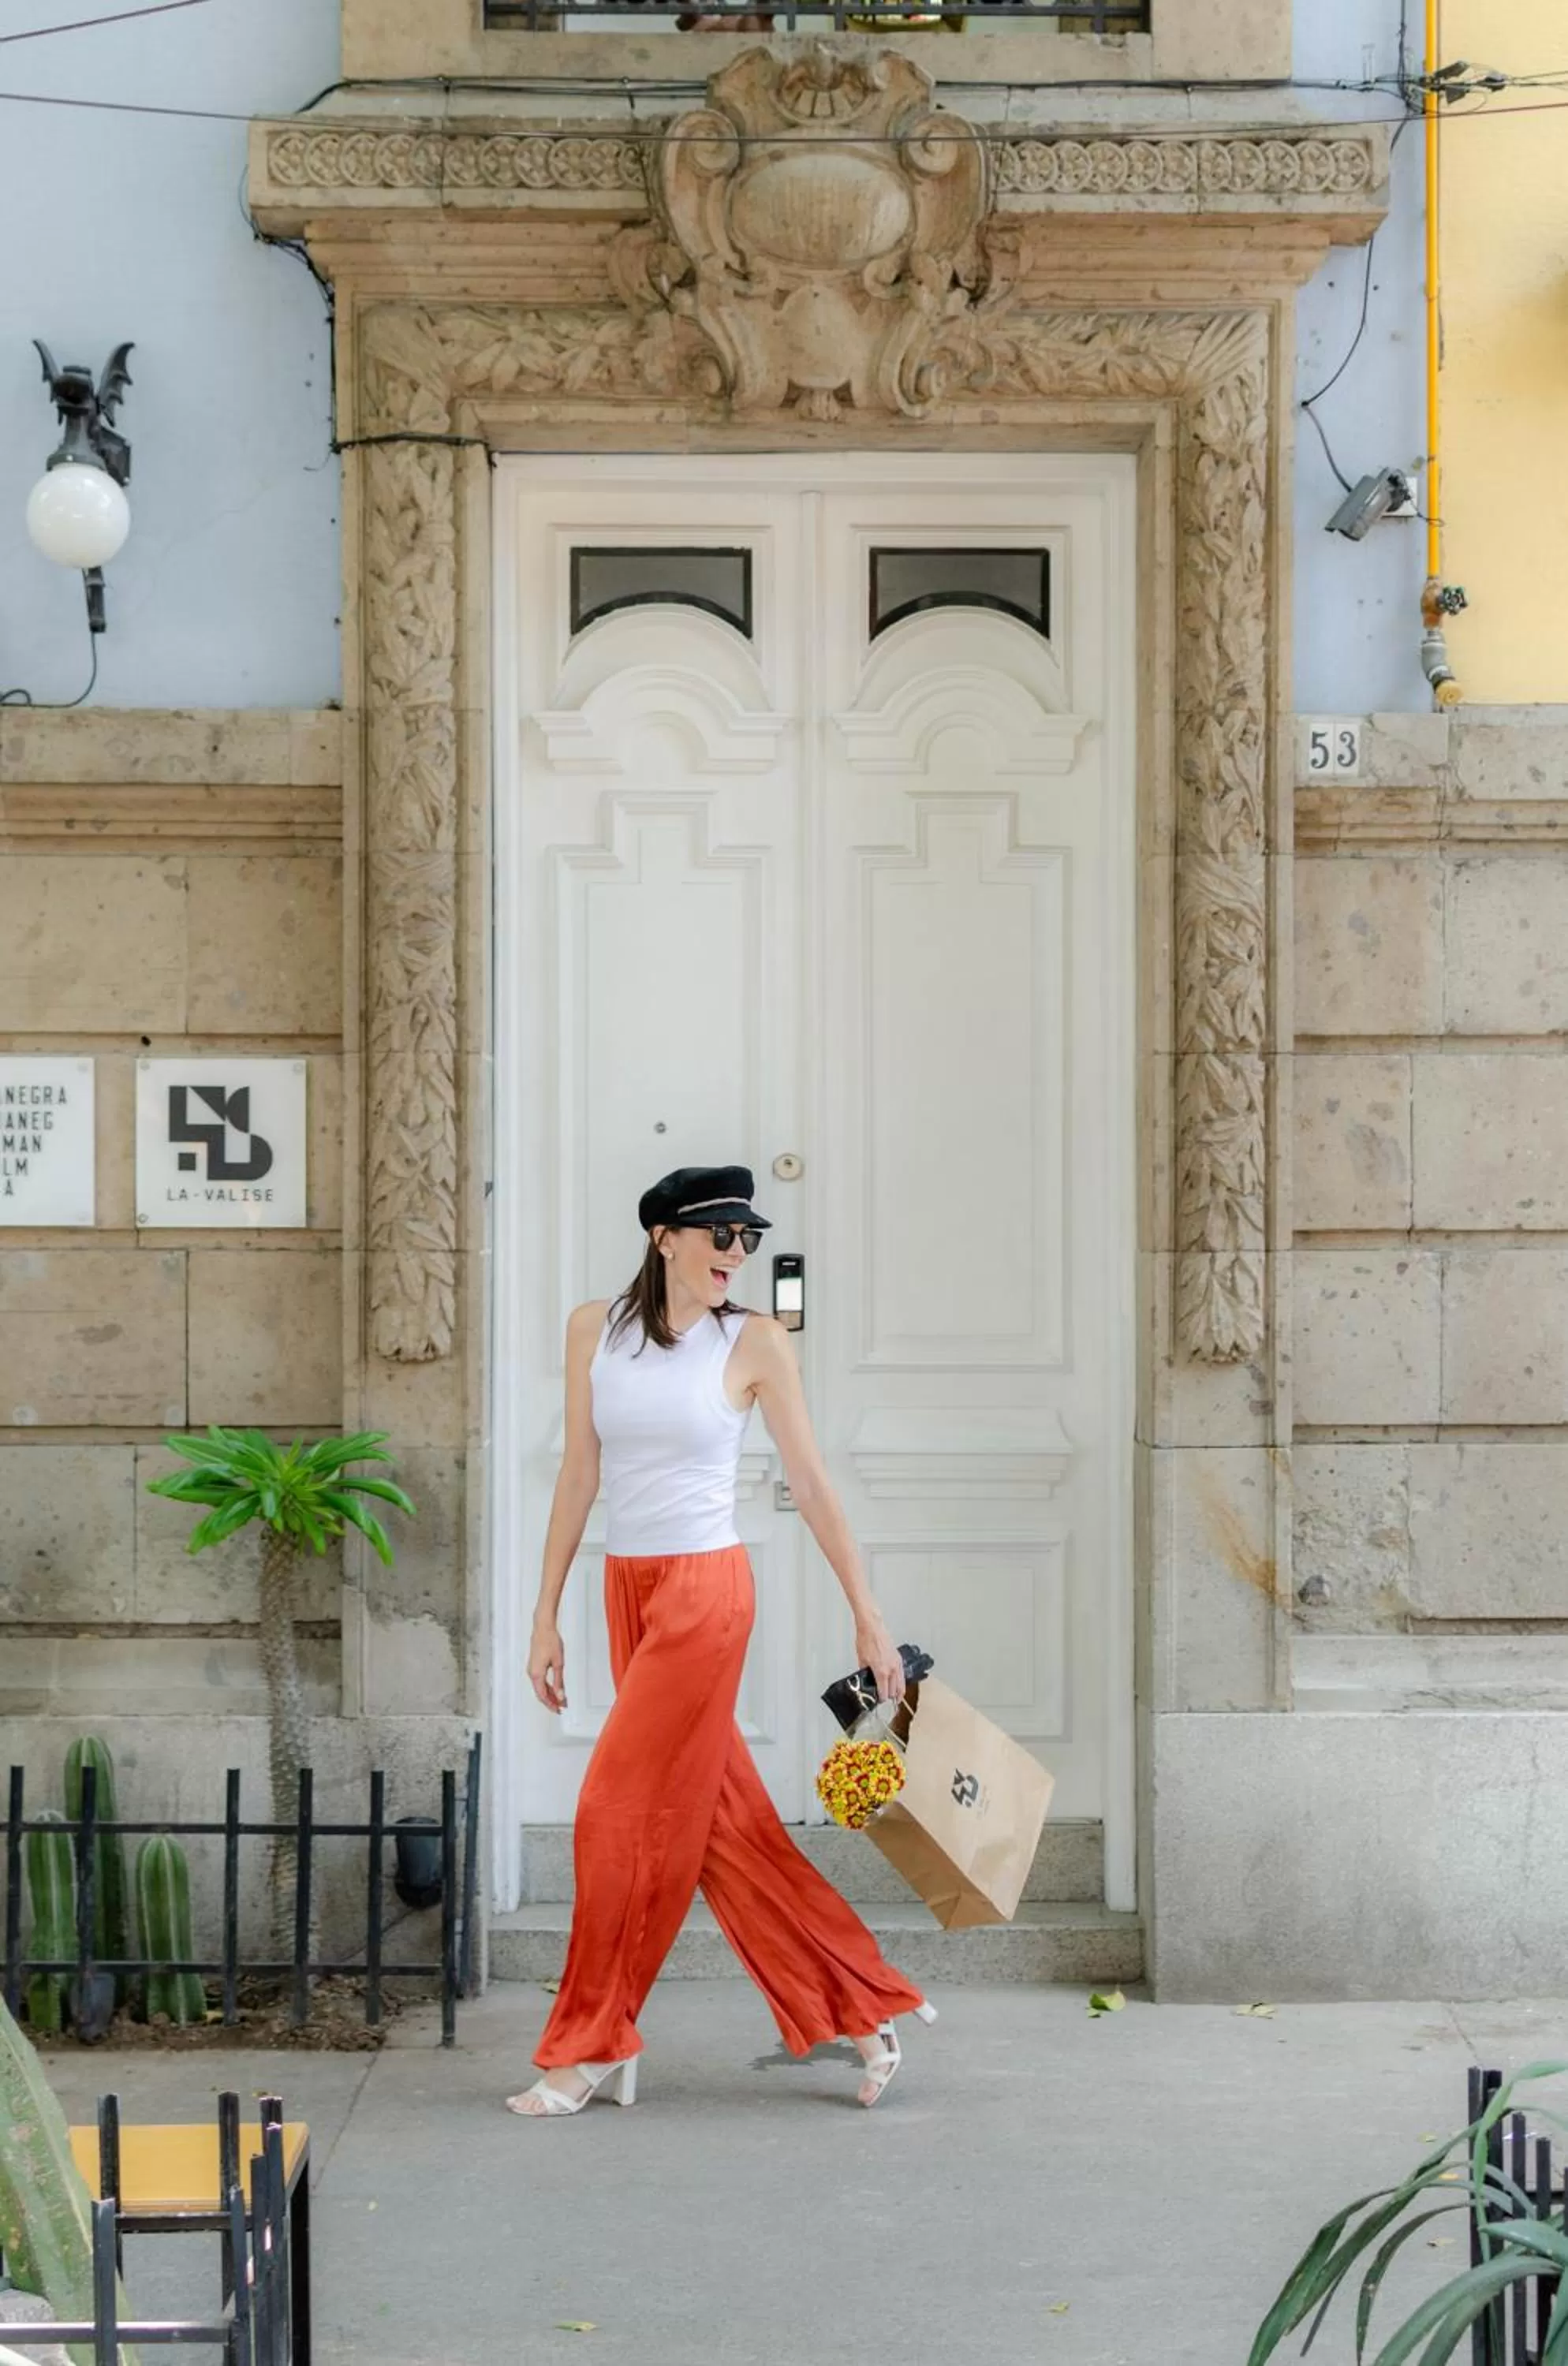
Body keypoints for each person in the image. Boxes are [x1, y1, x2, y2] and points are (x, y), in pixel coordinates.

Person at [506, 1162, 935, 2118]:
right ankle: (864, 2008)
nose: (735, 1255)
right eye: (718, 1236)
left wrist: (868, 1615)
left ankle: (588, 2042)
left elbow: (814, 1483)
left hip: (706, 1596)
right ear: (664, 1237)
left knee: (611, 1814)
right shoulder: (594, 1330)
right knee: (722, 1828)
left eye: (746, 1238)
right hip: (630, 1590)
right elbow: (580, 1474)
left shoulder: (755, 1342)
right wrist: (544, 1615)